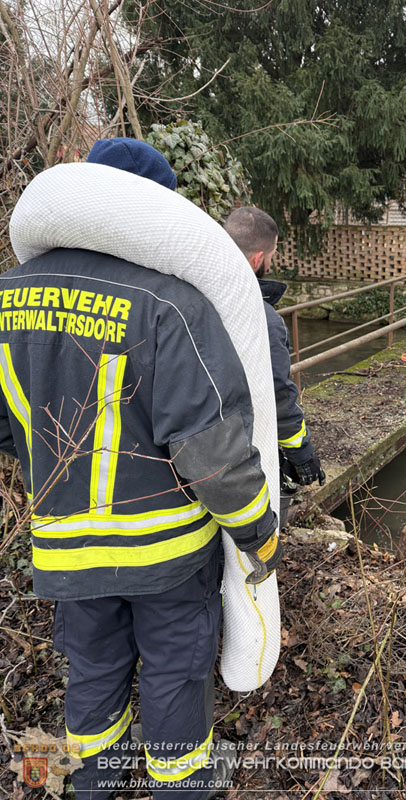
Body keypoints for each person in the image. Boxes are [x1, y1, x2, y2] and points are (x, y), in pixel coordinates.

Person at [0, 138, 281, 799]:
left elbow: (10, 430)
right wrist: (258, 531)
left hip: (65, 548)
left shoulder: (7, 296)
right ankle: (180, 787)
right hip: (167, 554)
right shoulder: (169, 302)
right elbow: (211, 453)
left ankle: (90, 787)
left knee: (92, 672)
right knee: (174, 677)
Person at [224, 207, 325, 526]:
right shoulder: (262, 320)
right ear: (258, 259)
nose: (273, 259)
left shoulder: (193, 295)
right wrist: (301, 453)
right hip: (243, 450)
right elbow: (279, 395)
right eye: (273, 253)